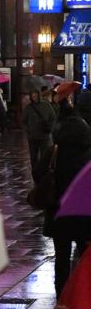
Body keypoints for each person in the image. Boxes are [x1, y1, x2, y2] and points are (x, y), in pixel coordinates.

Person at [46, 99, 91, 293]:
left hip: (59, 213)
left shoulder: (54, 152)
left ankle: (61, 299)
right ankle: (83, 300)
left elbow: (39, 174)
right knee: (85, 258)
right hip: (84, 213)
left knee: (61, 259)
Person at [24, 89, 58, 170]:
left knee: (45, 156)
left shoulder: (46, 105)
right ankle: (35, 172)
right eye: (32, 94)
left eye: (35, 94)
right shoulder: (28, 107)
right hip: (33, 136)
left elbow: (53, 118)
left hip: (44, 136)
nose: (34, 96)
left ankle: (44, 172)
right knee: (33, 156)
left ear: (38, 94)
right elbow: (24, 121)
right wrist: (28, 131)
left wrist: (50, 128)